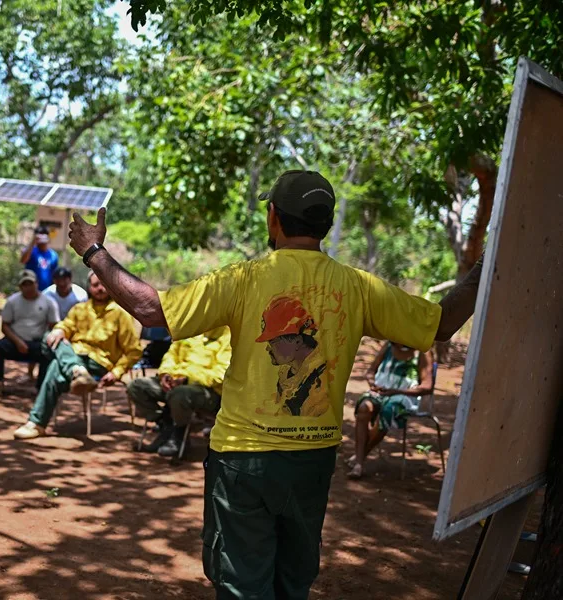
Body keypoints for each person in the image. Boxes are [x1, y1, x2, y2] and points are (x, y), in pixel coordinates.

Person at [67, 169, 483, 599]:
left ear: (273, 219)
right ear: (324, 224)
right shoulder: (358, 287)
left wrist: (95, 251)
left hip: (244, 463)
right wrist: (487, 262)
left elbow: (151, 310)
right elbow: (442, 322)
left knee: (242, 584)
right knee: (292, 582)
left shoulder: (242, 279)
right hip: (313, 461)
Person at [12, 271, 142, 440]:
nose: (100, 289)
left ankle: (37, 423)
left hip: (99, 363)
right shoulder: (80, 309)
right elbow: (66, 326)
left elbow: (134, 350)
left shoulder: (120, 313)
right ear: (89, 287)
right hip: (75, 355)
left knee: (54, 367)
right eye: (95, 285)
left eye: (104, 285)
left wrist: (116, 372)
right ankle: (76, 370)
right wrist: (59, 331)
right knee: (49, 338)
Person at [128, 326, 231, 457]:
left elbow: (222, 374)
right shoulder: (190, 329)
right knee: (136, 386)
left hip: (207, 390)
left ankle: (179, 432)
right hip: (176, 382)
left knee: (179, 394)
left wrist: (187, 378)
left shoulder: (228, 336)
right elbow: (170, 356)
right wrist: (166, 374)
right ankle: (165, 424)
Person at [349, 342, 435, 479]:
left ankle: (359, 460)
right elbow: (371, 371)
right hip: (381, 391)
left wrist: (397, 391)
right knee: (364, 407)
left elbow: (427, 386)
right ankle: (359, 461)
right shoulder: (388, 346)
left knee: (388, 412)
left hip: (404, 396)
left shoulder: (422, 352)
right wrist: (372, 384)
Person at [0, 270, 60, 399]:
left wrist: (48, 338)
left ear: (36, 284)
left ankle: (41, 389)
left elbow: (54, 326)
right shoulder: (12, 301)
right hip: (15, 341)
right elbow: (5, 326)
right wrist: (17, 341)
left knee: (49, 352)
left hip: (37, 342)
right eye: (25, 284)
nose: (28, 287)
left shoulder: (49, 302)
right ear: (20, 287)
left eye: (31, 284)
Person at [20, 225, 58, 291]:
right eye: (40, 236)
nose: (42, 239)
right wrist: (33, 242)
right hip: (30, 290)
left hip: (47, 291)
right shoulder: (31, 251)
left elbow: (54, 275)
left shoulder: (53, 255)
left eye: (44, 236)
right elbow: (23, 261)